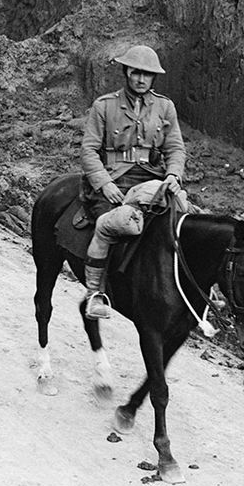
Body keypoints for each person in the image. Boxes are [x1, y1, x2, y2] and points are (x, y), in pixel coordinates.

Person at [79, 45, 187, 319]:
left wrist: (173, 176)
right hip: (114, 177)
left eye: (147, 74)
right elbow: (89, 150)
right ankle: (95, 293)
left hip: (151, 177)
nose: (141, 79)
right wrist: (104, 183)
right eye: (136, 72)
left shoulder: (164, 107)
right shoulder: (105, 106)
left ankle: (192, 292)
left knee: (185, 216)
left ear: (154, 78)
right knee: (109, 224)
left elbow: (175, 149)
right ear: (126, 72)